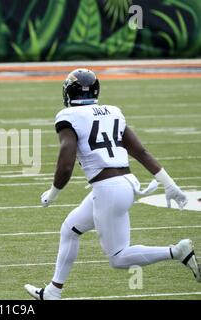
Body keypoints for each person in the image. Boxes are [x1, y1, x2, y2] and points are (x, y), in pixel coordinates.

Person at [25, 68, 200, 300]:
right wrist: (168, 183)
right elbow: (140, 151)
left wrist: (54, 193)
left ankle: (177, 252)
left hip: (108, 189)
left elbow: (66, 163)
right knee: (70, 228)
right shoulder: (113, 111)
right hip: (125, 183)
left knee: (118, 257)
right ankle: (52, 292)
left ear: (68, 92)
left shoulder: (69, 117)